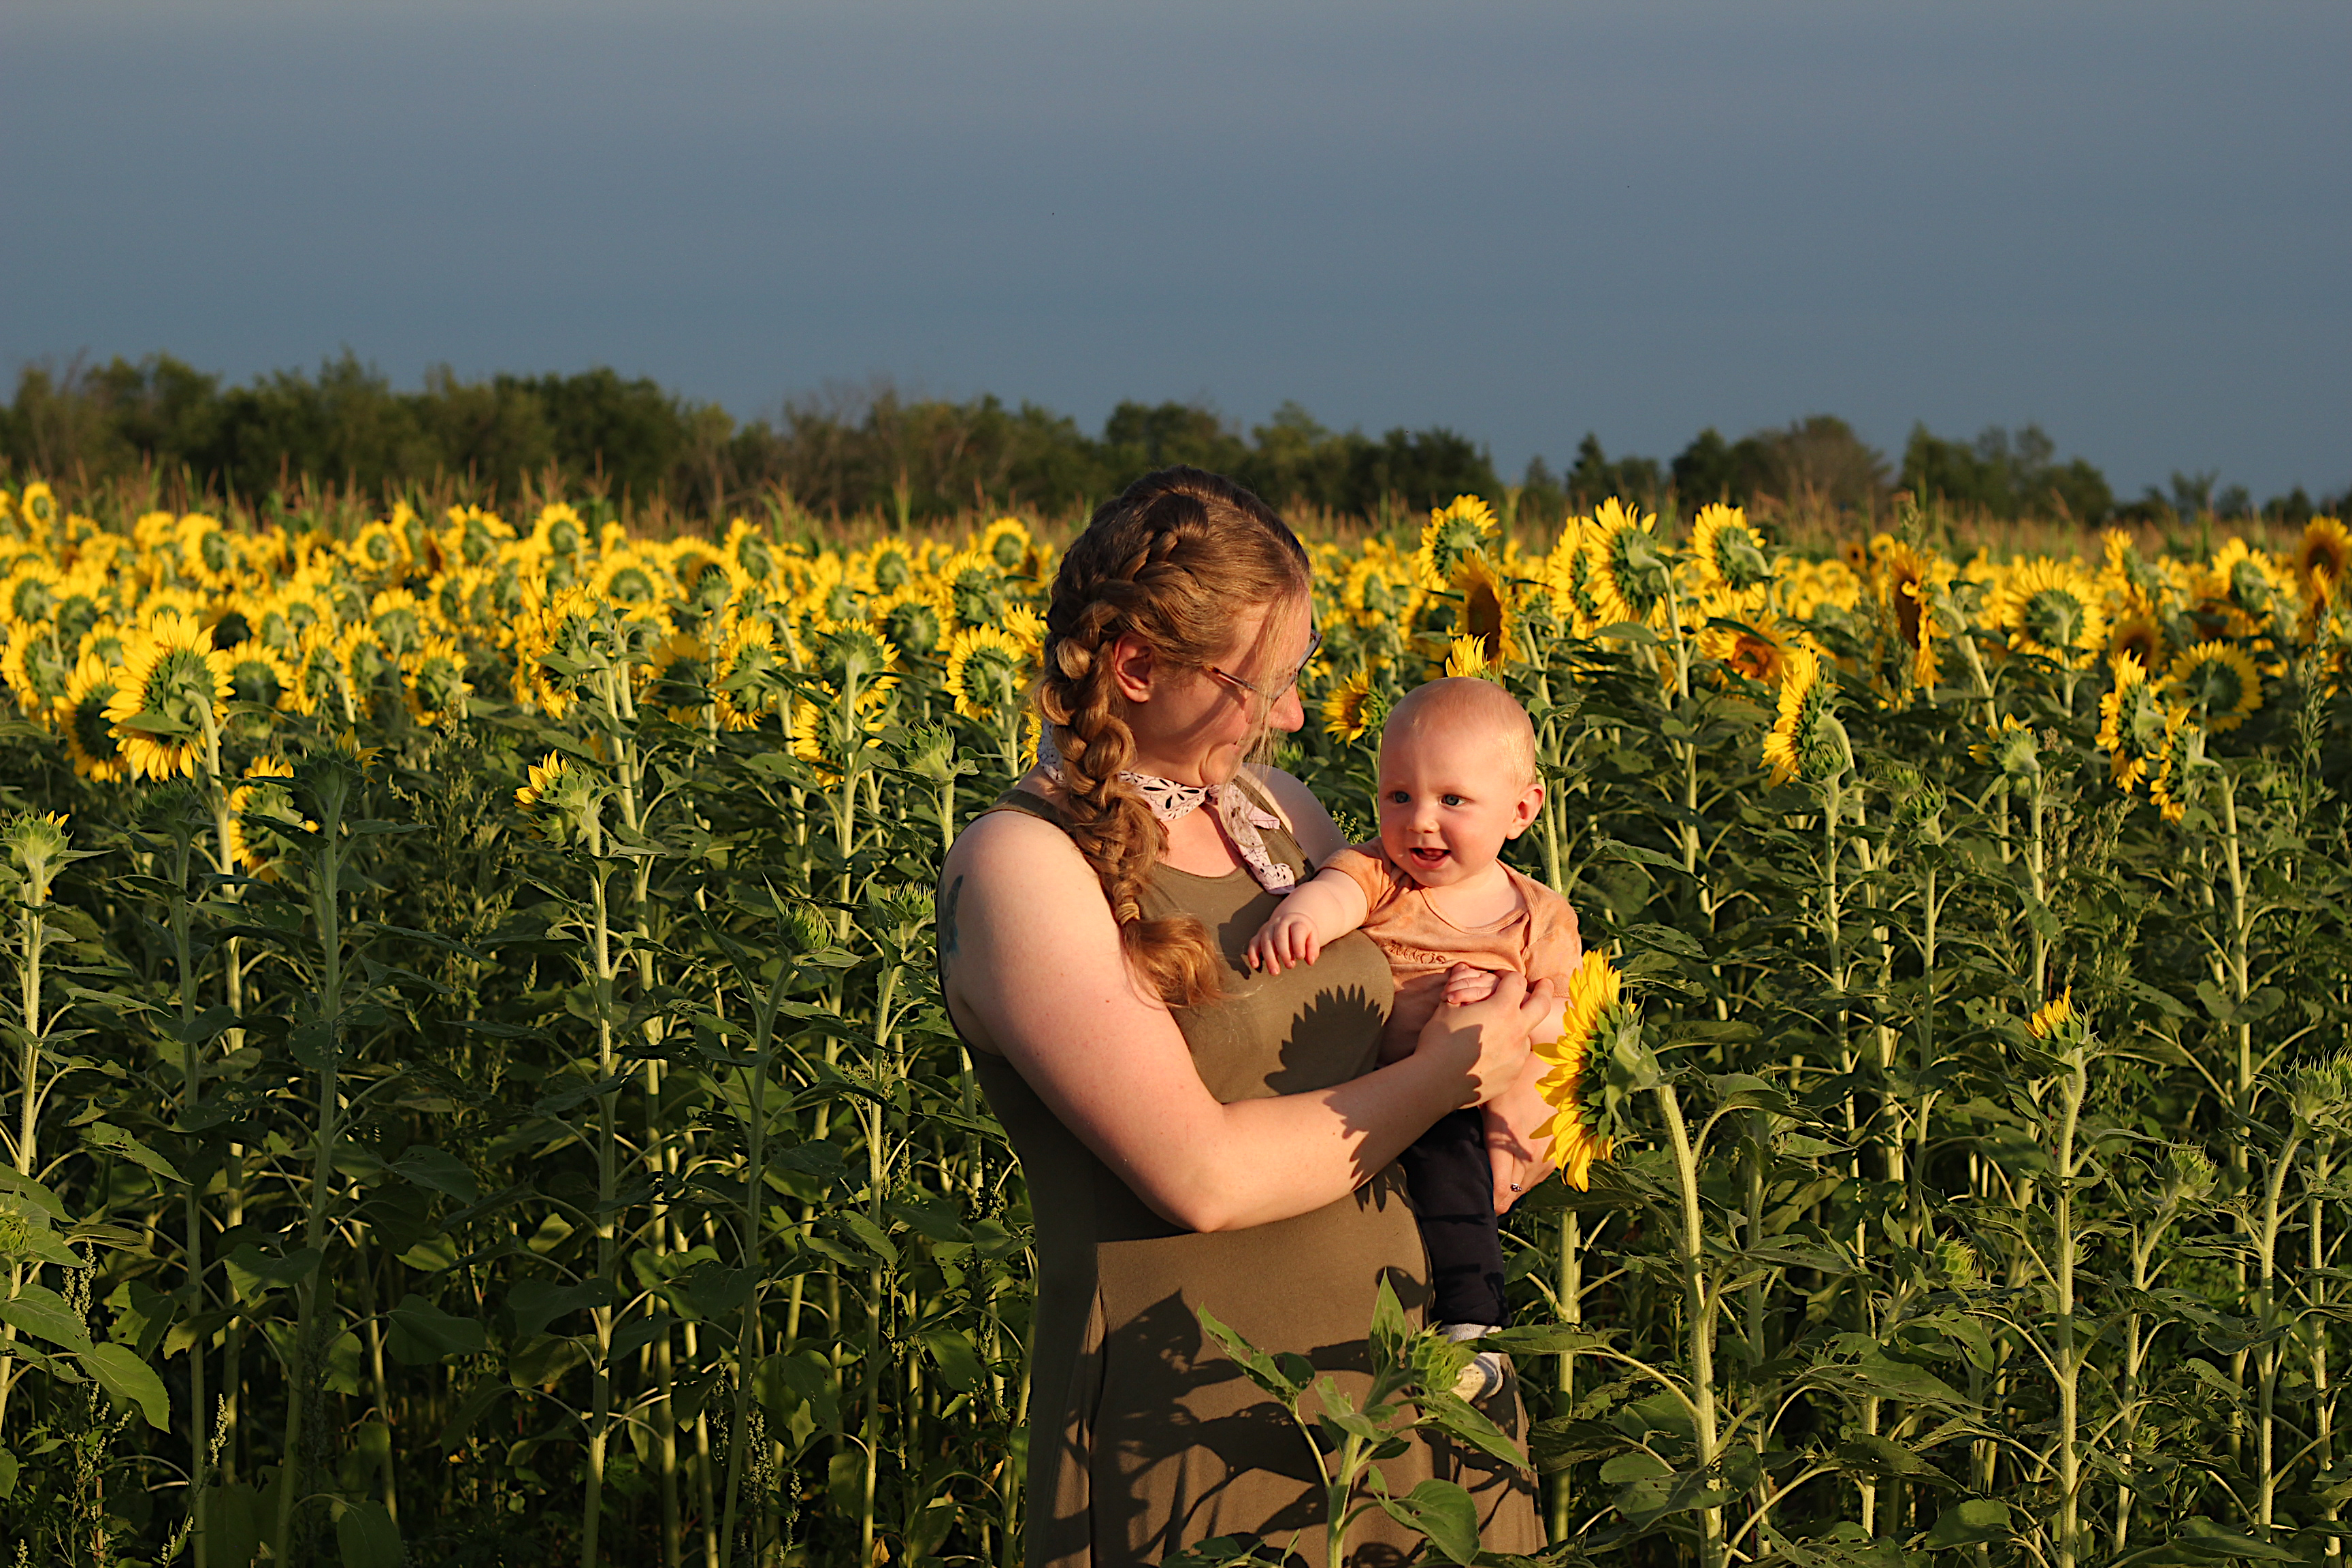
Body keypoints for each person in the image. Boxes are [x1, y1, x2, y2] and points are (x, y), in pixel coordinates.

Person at [935, 468, 1553, 1567]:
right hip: (1202, 1419)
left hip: (1411, 1381)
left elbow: (1447, 984)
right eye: (1262, 682)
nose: (1294, 715)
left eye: (1298, 674)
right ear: (1135, 664)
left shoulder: (1276, 811)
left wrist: (1522, 1094)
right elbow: (1202, 1173)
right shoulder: (1021, 865)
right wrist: (1450, 1075)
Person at [1245, 677, 1580, 1396]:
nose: (1420, 821)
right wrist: (1304, 917)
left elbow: (1561, 1014)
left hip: (1462, 1102)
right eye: (1399, 797)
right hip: (1368, 1083)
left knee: (1464, 1188)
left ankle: (1473, 1331)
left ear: (1522, 811)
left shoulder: (1539, 916)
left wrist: (1500, 1000)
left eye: (1452, 800)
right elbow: (1341, 891)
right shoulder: (1384, 874)